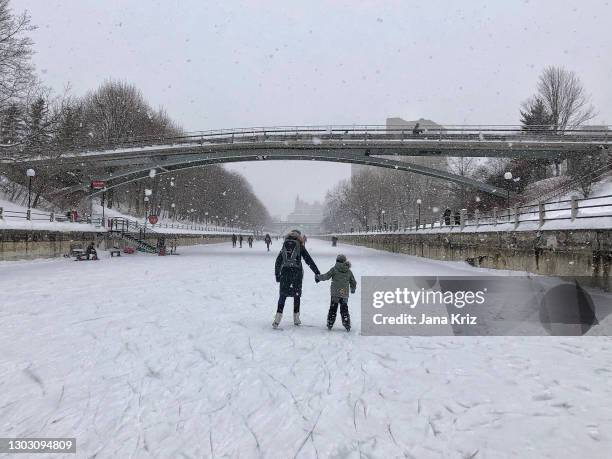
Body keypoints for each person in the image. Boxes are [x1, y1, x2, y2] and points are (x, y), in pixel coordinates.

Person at [273, 230, 320, 328]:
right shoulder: (299, 245)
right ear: (299, 236)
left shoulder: (285, 245)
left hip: (285, 273)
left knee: (283, 295)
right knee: (296, 295)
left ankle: (277, 319)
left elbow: (278, 261)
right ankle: (296, 318)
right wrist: (316, 272)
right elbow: (308, 260)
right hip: (297, 273)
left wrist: (277, 275)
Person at [316, 254, 357, 331]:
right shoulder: (348, 271)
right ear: (344, 261)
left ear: (337, 261)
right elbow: (353, 281)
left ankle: (330, 323)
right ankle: (346, 323)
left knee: (333, 308)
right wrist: (353, 288)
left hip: (335, 293)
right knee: (344, 309)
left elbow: (326, 276)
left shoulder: (334, 269)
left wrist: (318, 277)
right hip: (343, 293)